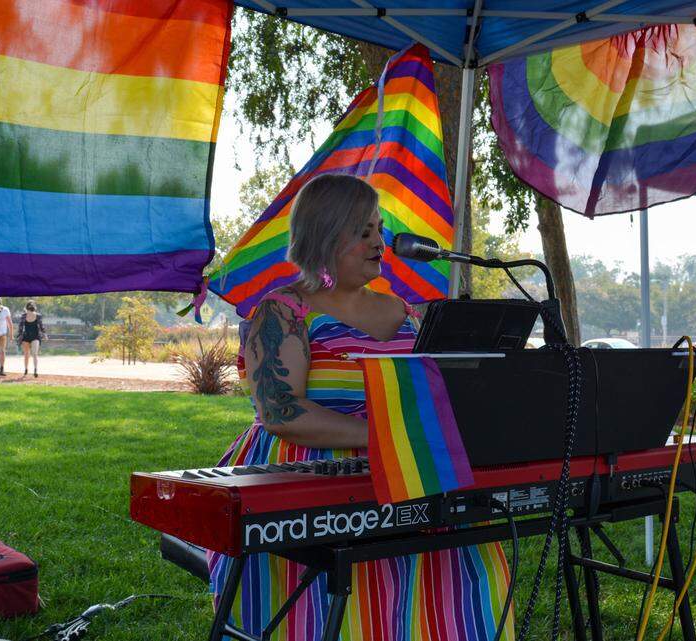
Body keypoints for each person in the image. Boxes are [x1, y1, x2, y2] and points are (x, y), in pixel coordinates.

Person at [207, 174, 513, 640]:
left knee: (464, 596)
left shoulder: (406, 312)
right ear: (326, 234)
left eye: (379, 229)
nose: (380, 243)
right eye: (364, 231)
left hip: (412, 476)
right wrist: (387, 438)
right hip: (305, 481)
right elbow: (281, 412)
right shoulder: (284, 309)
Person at [16, 300, 47, 377]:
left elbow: (41, 326)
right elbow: (20, 327)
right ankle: (26, 369)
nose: (31, 309)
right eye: (30, 307)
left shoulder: (38, 316)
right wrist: (19, 336)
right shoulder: (23, 316)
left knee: (35, 353)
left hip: (35, 336)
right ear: (27, 308)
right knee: (26, 354)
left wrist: (44, 334)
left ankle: (35, 370)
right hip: (26, 337)